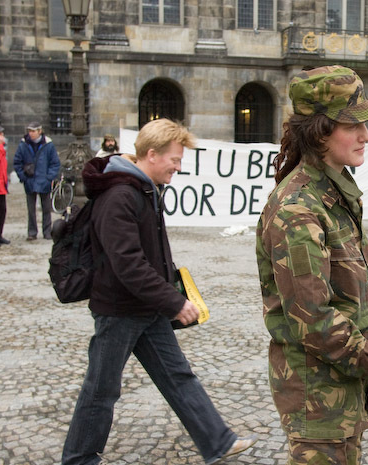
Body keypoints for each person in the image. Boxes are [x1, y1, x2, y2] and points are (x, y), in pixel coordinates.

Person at [256, 65, 368, 465]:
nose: (367, 137)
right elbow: (313, 318)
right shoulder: (299, 208)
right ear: (321, 131)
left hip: (341, 388)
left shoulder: (333, 191)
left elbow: (340, 287)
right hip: (316, 396)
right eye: (354, 126)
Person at [62, 118, 257, 465]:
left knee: (178, 376)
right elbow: (128, 264)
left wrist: (166, 295)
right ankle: (78, 459)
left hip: (145, 307)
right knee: (101, 389)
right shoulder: (120, 195)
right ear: (151, 154)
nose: (178, 168)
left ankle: (217, 441)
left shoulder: (141, 188)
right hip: (120, 310)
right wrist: (173, 301)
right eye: (175, 160)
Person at [13, 121, 61, 241]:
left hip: (43, 180)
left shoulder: (48, 145)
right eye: (29, 131)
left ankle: (47, 231)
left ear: (40, 131)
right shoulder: (23, 144)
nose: (31, 134)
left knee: (46, 208)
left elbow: (55, 163)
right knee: (31, 210)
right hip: (30, 180)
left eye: (33, 131)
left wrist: (49, 177)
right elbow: (17, 162)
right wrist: (23, 177)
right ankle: (32, 232)